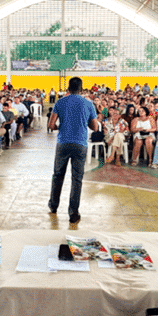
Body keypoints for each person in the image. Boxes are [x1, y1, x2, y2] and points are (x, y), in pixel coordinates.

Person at [48, 77, 98, 224]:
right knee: (77, 179)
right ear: (82, 89)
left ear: (68, 89)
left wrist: (60, 127)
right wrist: (83, 123)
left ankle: (53, 206)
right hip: (80, 144)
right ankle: (73, 213)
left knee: (58, 175)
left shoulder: (60, 102)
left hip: (63, 143)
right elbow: (95, 127)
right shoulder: (89, 104)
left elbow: (51, 125)